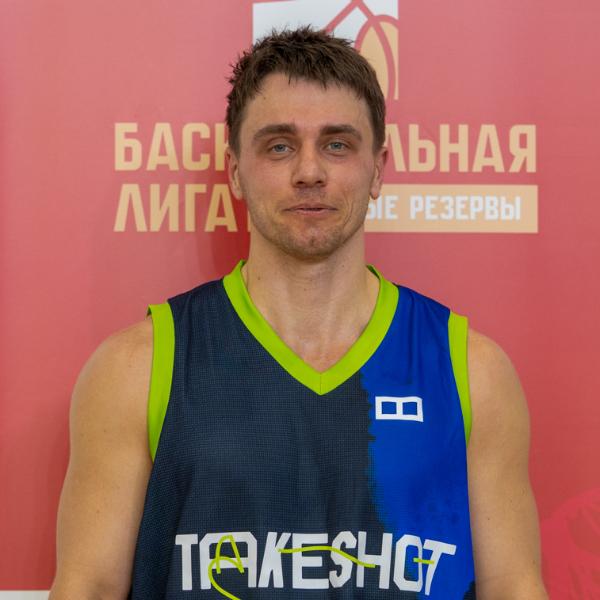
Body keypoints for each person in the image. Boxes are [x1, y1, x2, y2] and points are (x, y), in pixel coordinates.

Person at [49, 27, 548, 599]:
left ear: (378, 168)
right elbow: (88, 587)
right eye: (279, 146)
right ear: (235, 170)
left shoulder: (470, 371)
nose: (309, 171)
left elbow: (514, 587)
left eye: (337, 144)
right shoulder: (137, 368)